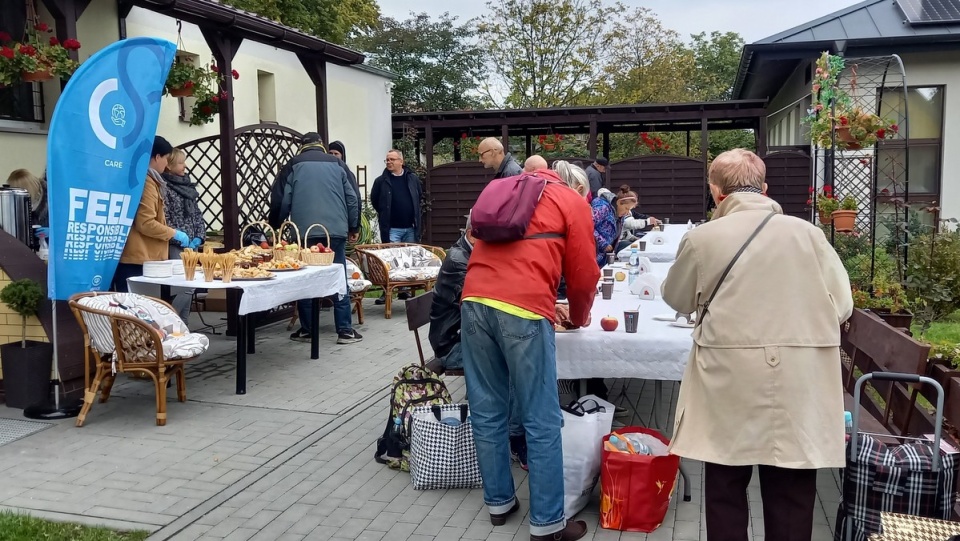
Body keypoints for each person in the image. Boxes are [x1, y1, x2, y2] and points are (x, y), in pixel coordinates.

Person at [661, 149, 853, 541]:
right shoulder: (809, 235)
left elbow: (677, 299)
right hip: (800, 378)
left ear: (716, 193)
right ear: (765, 189)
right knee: (793, 491)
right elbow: (842, 305)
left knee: (725, 486)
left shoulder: (702, 239)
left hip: (728, 379)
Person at [461, 168, 599, 541]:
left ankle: (499, 503)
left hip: (474, 299)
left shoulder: (503, 188)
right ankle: (549, 523)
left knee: (488, 408)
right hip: (523, 309)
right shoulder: (571, 201)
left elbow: (486, 242)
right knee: (541, 417)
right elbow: (585, 272)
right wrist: (580, 316)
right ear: (577, 185)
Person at [428, 212, 529, 470]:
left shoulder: (472, 253)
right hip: (452, 346)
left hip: (469, 336)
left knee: (519, 355)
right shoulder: (459, 260)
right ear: (473, 234)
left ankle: (516, 429)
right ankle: (516, 437)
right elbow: (479, 304)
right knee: (513, 364)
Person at [272, 132, 363, 345]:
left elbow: (282, 200)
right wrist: (353, 226)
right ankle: (345, 331)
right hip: (336, 232)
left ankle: (307, 330)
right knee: (339, 277)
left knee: (305, 278)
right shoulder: (338, 164)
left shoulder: (293, 164)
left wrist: (277, 224)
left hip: (304, 233)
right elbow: (353, 198)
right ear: (321, 145)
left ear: (302, 146)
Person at [113, 136, 190, 292]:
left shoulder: (144, 178)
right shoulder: (147, 181)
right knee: (140, 312)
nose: (167, 164)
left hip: (140, 257)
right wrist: (174, 233)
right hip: (140, 259)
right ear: (157, 157)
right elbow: (145, 222)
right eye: (166, 159)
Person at [370, 149, 423, 305]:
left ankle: (404, 290)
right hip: (392, 228)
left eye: (392, 159)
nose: (389, 162)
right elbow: (375, 201)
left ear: (401, 161)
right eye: (387, 160)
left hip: (410, 228)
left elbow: (418, 196)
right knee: (390, 261)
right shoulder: (381, 181)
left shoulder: (412, 179)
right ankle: (387, 292)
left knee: (408, 260)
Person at [162, 148, 206, 322]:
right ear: (169, 166)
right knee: (187, 285)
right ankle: (167, 320)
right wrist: (178, 237)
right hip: (175, 246)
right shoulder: (165, 188)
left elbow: (197, 215)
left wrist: (199, 237)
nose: (185, 166)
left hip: (191, 245)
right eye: (180, 162)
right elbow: (165, 219)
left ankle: (183, 328)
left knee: (189, 286)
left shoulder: (187, 187)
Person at [328, 140, 363, 208]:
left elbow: (355, 196)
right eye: (330, 153)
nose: (333, 156)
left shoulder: (348, 174)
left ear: (342, 156)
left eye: (336, 153)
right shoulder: (326, 173)